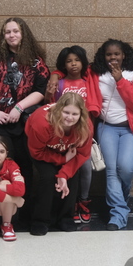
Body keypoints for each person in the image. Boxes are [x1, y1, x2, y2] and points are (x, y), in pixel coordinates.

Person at [0, 17, 49, 218]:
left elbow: (41, 91)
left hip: (23, 122)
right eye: (8, 32)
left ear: (23, 34)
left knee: (23, 167)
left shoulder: (36, 61)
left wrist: (19, 107)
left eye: (16, 31)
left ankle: (19, 213)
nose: (12, 35)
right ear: (3, 35)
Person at [89, 39, 133, 231]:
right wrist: (56, 75)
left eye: (116, 54)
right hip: (107, 128)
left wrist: (120, 80)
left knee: (126, 168)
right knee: (112, 171)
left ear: (124, 55)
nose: (113, 58)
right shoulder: (96, 74)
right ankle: (118, 213)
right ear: (103, 56)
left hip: (131, 128)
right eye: (109, 54)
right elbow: (71, 68)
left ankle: (120, 202)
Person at [25, 92, 94, 235]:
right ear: (59, 109)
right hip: (42, 150)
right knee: (48, 176)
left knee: (72, 177)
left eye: (75, 114)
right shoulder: (42, 122)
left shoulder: (86, 126)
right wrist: (62, 160)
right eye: (66, 112)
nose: (69, 118)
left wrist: (64, 174)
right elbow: (36, 152)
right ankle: (40, 220)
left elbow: (82, 154)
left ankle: (66, 218)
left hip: (69, 151)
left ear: (81, 115)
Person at [46, 45, 96, 226]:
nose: (73, 64)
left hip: (83, 134)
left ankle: (83, 201)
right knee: (66, 168)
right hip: (63, 135)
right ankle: (70, 204)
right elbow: (49, 106)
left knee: (85, 169)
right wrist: (54, 77)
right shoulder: (59, 83)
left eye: (77, 60)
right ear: (63, 65)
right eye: (69, 61)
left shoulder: (88, 81)